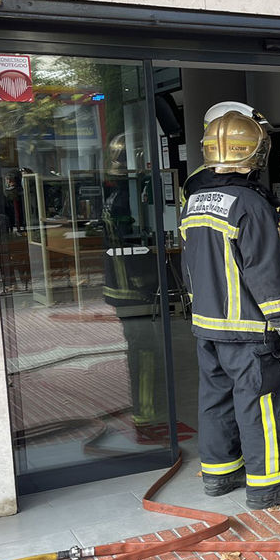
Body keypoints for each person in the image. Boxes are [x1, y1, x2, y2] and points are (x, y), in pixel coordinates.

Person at [180, 104, 280, 509]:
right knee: (262, 401)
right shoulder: (251, 203)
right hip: (248, 327)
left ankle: (220, 474)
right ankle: (270, 483)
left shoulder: (197, 200)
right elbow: (263, 270)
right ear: (255, 153)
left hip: (208, 323)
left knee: (216, 398)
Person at [100, 135, 168, 442]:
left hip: (120, 287)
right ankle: (146, 415)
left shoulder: (113, 194)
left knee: (138, 352)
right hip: (136, 289)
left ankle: (144, 411)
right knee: (146, 354)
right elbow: (139, 241)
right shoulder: (130, 194)